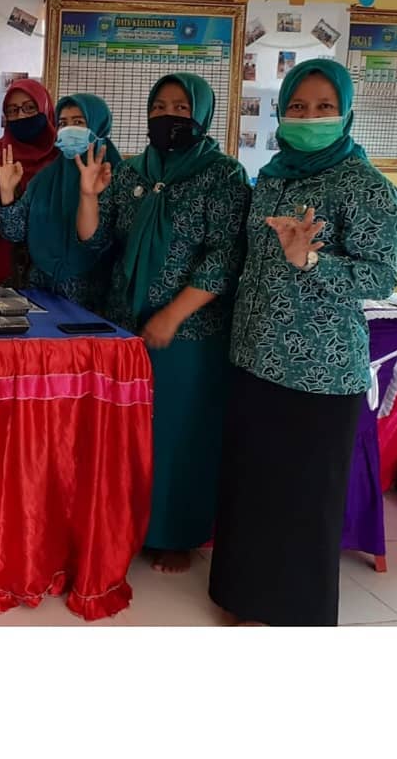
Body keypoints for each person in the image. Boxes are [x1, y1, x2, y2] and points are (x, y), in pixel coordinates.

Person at [209, 62, 397, 626]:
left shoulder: (368, 187)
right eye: (298, 106)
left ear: (346, 113)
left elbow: (380, 277)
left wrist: (312, 261)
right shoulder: (272, 177)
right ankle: (243, 598)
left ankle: (293, 614)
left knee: (302, 497)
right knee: (253, 485)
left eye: (324, 107)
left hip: (319, 369)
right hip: (253, 356)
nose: (310, 117)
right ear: (281, 111)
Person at [74, 73, 250, 574]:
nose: (168, 116)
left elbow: (225, 256)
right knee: (129, 433)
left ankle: (176, 534)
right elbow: (95, 240)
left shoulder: (223, 175)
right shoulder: (132, 170)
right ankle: (127, 526)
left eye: (180, 107)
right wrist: (88, 195)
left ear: (201, 114)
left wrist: (173, 314)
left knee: (178, 433)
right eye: (158, 107)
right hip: (126, 324)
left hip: (189, 332)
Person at [0, 93, 121, 308]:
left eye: (78, 122)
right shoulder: (44, 179)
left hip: (95, 297)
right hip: (41, 290)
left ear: (99, 126)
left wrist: (88, 195)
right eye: (62, 123)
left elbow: (102, 241)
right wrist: (7, 193)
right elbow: (14, 232)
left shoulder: (116, 177)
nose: (69, 130)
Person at [0, 80, 58, 285]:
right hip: (0, 267)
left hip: (52, 269)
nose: (21, 116)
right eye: (12, 110)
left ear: (45, 109)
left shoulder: (62, 159)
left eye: (29, 108)